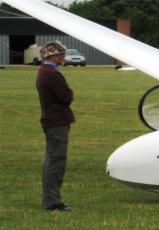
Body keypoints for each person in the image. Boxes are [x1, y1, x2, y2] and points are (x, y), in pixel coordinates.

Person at [36, 40, 75, 211]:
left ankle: (50, 199)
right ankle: (52, 201)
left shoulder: (43, 72)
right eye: (61, 55)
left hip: (51, 120)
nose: (63, 58)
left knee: (51, 159)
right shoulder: (52, 74)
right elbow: (67, 97)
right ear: (53, 56)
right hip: (57, 121)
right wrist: (70, 91)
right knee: (56, 161)